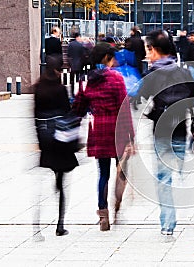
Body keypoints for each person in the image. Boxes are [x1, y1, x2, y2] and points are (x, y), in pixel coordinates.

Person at [139, 30, 194, 235]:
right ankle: (182, 172)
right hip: (181, 130)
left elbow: (139, 98)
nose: (147, 55)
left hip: (162, 133)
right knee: (174, 171)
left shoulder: (152, 74)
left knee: (163, 180)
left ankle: (168, 224)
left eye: (149, 50)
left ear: (156, 51)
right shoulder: (183, 72)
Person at [72, 42, 135, 231]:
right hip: (118, 131)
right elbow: (124, 109)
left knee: (103, 174)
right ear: (107, 58)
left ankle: (103, 214)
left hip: (98, 130)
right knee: (122, 171)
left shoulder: (87, 81)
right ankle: (117, 202)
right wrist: (131, 137)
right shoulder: (116, 78)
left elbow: (78, 109)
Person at [34, 55, 78, 236]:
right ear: (56, 70)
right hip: (60, 138)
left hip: (45, 137)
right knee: (61, 182)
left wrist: (39, 141)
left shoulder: (38, 89)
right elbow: (68, 114)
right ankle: (60, 225)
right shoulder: (60, 89)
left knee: (46, 180)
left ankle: (36, 224)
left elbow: (34, 116)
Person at [124, 26, 146, 109]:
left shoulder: (129, 41)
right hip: (139, 62)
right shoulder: (140, 41)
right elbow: (143, 52)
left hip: (130, 63)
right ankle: (138, 98)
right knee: (138, 80)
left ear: (132, 32)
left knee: (129, 80)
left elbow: (126, 51)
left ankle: (130, 97)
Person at [67, 32, 86, 98]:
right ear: (78, 37)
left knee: (72, 80)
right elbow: (83, 55)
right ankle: (80, 92)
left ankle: (72, 93)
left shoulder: (70, 44)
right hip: (80, 64)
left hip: (72, 64)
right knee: (80, 79)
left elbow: (68, 54)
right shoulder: (81, 45)